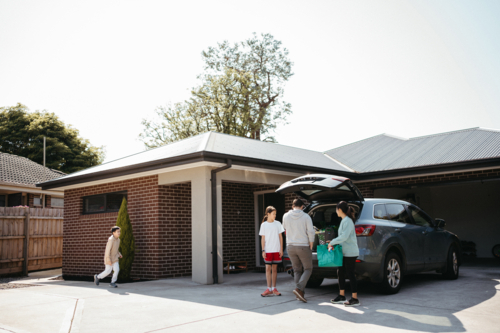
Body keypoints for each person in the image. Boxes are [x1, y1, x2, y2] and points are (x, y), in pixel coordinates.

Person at [328, 201, 360, 307]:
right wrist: (333, 243)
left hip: (350, 252)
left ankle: (355, 299)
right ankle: (342, 296)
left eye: (336, 209)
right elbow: (342, 238)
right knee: (340, 271)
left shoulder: (347, 221)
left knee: (350, 273)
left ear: (340, 210)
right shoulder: (344, 220)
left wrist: (332, 242)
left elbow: (344, 237)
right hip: (345, 252)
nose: (336, 211)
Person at [283, 198, 315, 303]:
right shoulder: (306, 216)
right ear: (302, 207)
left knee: (297, 270)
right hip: (303, 246)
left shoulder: (285, 216)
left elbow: (285, 229)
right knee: (308, 269)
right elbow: (310, 231)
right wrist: (311, 244)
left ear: (292, 206)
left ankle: (299, 294)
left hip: (290, 246)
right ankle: (299, 289)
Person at [259, 206, 285, 297]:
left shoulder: (278, 224)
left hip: (276, 250)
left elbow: (281, 237)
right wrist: (263, 250)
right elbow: (263, 239)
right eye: (273, 214)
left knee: (274, 269)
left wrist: (281, 249)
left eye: (275, 214)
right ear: (268, 214)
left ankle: (274, 288)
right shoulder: (263, 225)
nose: (275, 215)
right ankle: (268, 289)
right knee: (267, 269)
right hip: (268, 250)